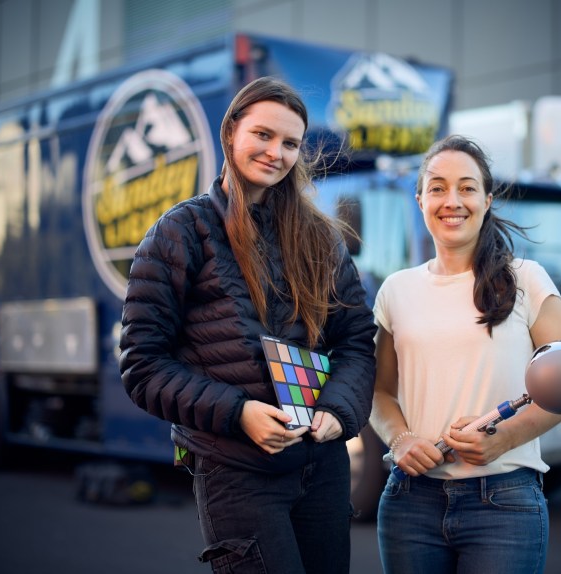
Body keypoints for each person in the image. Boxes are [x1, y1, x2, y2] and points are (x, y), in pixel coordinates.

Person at [119, 76, 377, 574]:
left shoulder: (322, 238)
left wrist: (338, 411)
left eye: (290, 143)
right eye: (263, 134)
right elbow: (143, 366)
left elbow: (357, 344)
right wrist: (239, 413)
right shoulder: (179, 232)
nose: (275, 152)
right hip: (235, 471)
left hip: (322, 467)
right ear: (231, 132)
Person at [369, 134, 561, 574]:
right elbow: (379, 392)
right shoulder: (396, 290)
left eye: (466, 187)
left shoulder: (527, 279)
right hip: (410, 502)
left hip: (504, 503)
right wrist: (401, 440)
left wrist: (507, 437)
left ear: (487, 198)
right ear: (420, 198)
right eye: (438, 187)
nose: (452, 200)